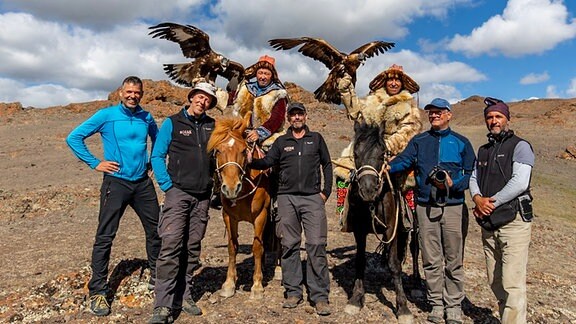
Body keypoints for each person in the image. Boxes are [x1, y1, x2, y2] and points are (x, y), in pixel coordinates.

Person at [66, 76, 161, 317]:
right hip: (115, 183)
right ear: (120, 92)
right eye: (128, 91)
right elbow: (74, 137)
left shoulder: (146, 117)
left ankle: (157, 275)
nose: (133, 96)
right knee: (105, 236)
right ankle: (98, 291)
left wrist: (153, 160)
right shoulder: (106, 115)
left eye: (137, 92)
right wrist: (95, 163)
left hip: (142, 183)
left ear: (141, 93)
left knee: (157, 230)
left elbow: (158, 141)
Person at [387, 98, 475, 324]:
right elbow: (404, 161)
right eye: (431, 112)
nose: (434, 115)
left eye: (438, 112)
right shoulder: (419, 141)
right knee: (431, 258)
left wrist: (452, 183)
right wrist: (386, 165)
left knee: (454, 258)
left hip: (453, 207)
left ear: (449, 115)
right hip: (425, 207)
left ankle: (453, 305)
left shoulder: (461, 142)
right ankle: (436, 303)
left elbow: (471, 175)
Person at [248, 102, 333, 316]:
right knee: (290, 245)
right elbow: (267, 161)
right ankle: (293, 291)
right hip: (287, 198)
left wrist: (326, 192)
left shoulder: (316, 139)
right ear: (288, 118)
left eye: (300, 114)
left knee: (316, 244)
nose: (296, 118)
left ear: (305, 116)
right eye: (293, 115)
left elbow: (327, 164)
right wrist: (250, 161)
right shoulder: (281, 142)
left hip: (313, 198)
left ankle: (319, 295)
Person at [148, 82, 217, 324]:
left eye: (208, 99)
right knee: (171, 246)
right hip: (178, 193)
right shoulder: (172, 123)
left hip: (203, 197)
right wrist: (167, 185)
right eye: (199, 96)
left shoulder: (212, 125)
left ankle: (184, 296)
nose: (203, 101)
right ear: (191, 98)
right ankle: (162, 306)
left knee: (193, 248)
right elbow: (157, 155)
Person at [469, 97, 534, 323]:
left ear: (507, 119)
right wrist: (477, 198)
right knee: (495, 280)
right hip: (489, 222)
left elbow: (520, 182)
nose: (494, 121)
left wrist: (490, 203)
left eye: (498, 116)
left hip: (513, 221)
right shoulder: (484, 150)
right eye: (489, 117)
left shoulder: (520, 146)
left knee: (512, 282)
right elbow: (473, 177)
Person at [333, 64, 422, 226]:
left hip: (395, 149)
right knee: (342, 171)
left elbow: (409, 130)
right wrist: (346, 91)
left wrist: (384, 146)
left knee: (408, 181)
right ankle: (344, 214)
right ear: (384, 82)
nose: (394, 83)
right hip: (368, 147)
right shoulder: (372, 100)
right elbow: (355, 112)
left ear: (402, 83)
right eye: (390, 80)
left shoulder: (409, 105)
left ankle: (410, 218)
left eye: (397, 80)